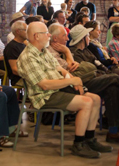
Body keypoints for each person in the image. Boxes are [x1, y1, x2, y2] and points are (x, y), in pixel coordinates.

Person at [17, 22, 111, 158]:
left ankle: (89, 139)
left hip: (59, 89)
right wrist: (72, 81)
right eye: (46, 33)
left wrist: (73, 79)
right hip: (45, 96)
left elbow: (61, 69)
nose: (49, 35)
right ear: (37, 36)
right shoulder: (28, 57)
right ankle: (78, 143)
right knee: (86, 102)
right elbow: (44, 85)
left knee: (95, 99)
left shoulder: (43, 51)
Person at [3, 20, 28, 86]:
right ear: (18, 31)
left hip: (26, 74)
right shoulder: (12, 47)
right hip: (19, 78)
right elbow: (15, 70)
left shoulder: (23, 44)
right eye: (25, 30)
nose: (28, 32)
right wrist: (31, 75)